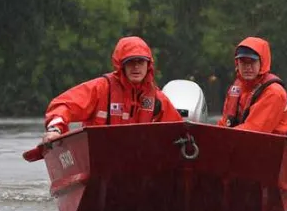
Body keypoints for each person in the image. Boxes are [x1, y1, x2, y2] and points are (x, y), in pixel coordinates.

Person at [42, 36, 182, 142]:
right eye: (130, 62)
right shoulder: (100, 89)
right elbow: (63, 105)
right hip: (100, 156)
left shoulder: (157, 98)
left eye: (140, 62)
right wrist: (55, 130)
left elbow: (180, 130)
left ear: (148, 65)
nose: (136, 67)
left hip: (139, 160)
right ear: (121, 66)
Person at [216, 36, 287, 135]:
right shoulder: (236, 88)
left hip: (270, 147)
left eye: (252, 61)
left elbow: (254, 132)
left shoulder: (274, 92)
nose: (248, 67)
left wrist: (220, 136)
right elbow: (223, 124)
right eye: (243, 61)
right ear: (237, 63)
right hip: (239, 143)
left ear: (262, 63)